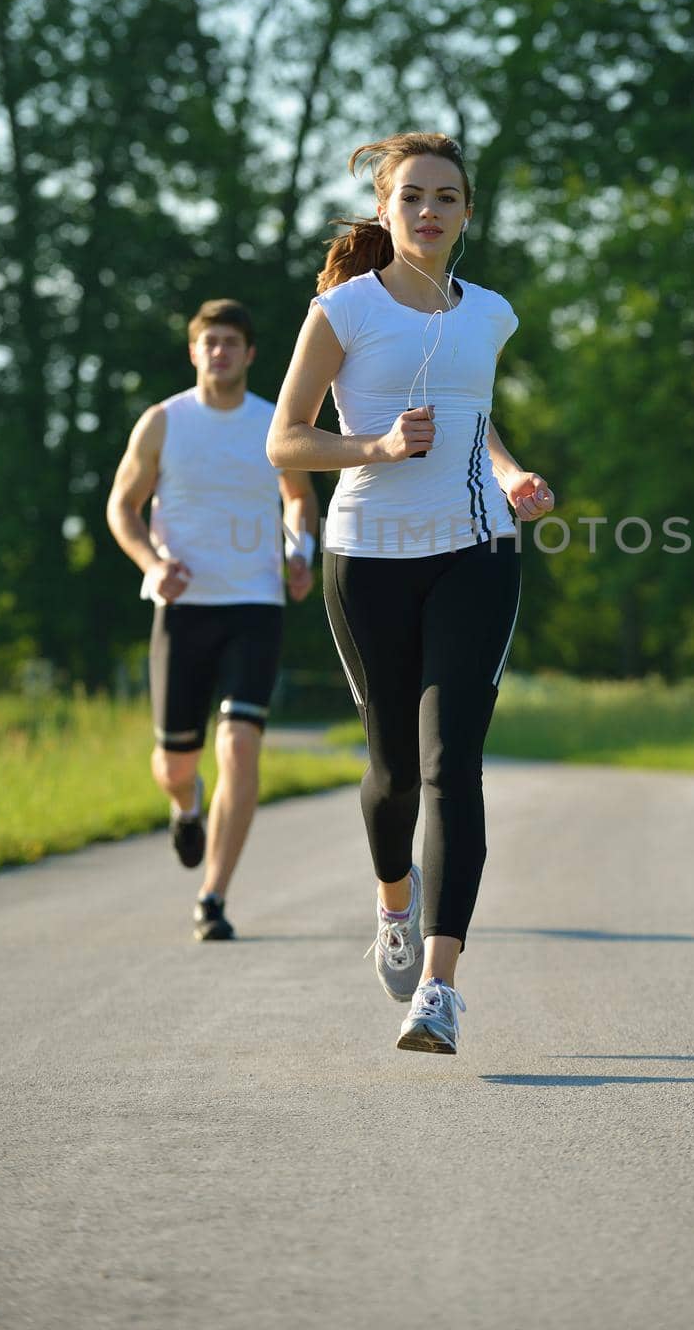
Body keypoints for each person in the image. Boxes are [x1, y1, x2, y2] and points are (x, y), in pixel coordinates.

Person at [266, 132, 554, 1054]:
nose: (430, 210)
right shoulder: (342, 313)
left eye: (449, 197)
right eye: (414, 196)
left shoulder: (492, 315)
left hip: (478, 551)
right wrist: (380, 449)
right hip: (367, 555)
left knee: (448, 765)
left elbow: (476, 416)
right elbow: (285, 442)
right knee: (392, 770)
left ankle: (438, 988)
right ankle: (394, 900)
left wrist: (509, 472)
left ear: (467, 213)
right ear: (385, 211)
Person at [106, 298, 318, 942]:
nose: (220, 351)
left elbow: (299, 498)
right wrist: (151, 562)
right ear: (194, 351)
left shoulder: (274, 423)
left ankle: (214, 894)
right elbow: (123, 506)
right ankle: (187, 806)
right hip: (183, 608)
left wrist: (300, 552)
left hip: (255, 603)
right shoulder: (162, 422)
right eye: (210, 342)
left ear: (250, 354)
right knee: (176, 763)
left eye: (232, 342)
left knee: (241, 744)